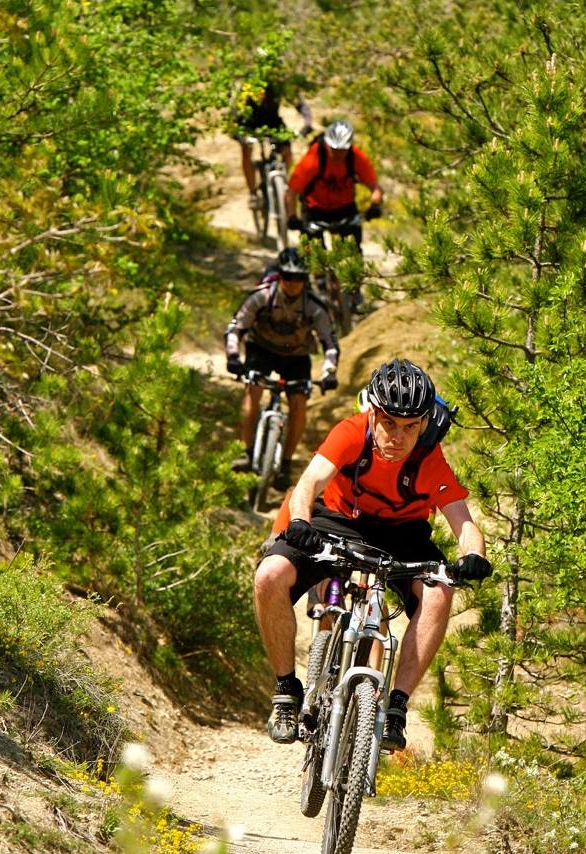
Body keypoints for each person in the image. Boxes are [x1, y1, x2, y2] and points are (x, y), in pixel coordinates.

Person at [254, 358, 493, 751]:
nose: (399, 437)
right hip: (339, 518)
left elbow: (463, 522)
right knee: (269, 576)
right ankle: (285, 690)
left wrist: (474, 556)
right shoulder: (350, 432)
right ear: (373, 414)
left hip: (403, 533)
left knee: (438, 592)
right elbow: (309, 483)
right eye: (390, 424)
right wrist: (300, 522)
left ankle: (396, 706)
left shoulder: (428, 457)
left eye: (410, 427)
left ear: (424, 423)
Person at [225, 247, 339, 489]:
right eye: (287, 276)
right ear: (279, 275)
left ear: (305, 280)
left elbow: (329, 343)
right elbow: (236, 328)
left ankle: (285, 465)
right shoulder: (262, 297)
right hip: (261, 349)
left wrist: (329, 373)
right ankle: (246, 451)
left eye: (298, 278)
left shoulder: (314, 306)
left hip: (296, 356)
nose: (292, 283)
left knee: (299, 403)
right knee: (252, 390)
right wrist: (233, 357)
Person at [284, 119, 384, 249]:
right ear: (326, 144)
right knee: (312, 254)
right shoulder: (314, 157)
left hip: (345, 209)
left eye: (343, 150)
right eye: (334, 149)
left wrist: (375, 205)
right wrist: (292, 217)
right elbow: (292, 191)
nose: (338, 154)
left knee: (352, 251)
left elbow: (375, 187)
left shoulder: (355, 157)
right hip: (315, 209)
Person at [232, 73, 313, 210]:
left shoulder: (279, 86)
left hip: (273, 123)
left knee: (287, 151)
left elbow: (300, 104)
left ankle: (281, 183)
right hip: (249, 123)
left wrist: (307, 122)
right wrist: (238, 132)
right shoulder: (250, 85)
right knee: (246, 149)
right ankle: (252, 193)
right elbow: (236, 110)